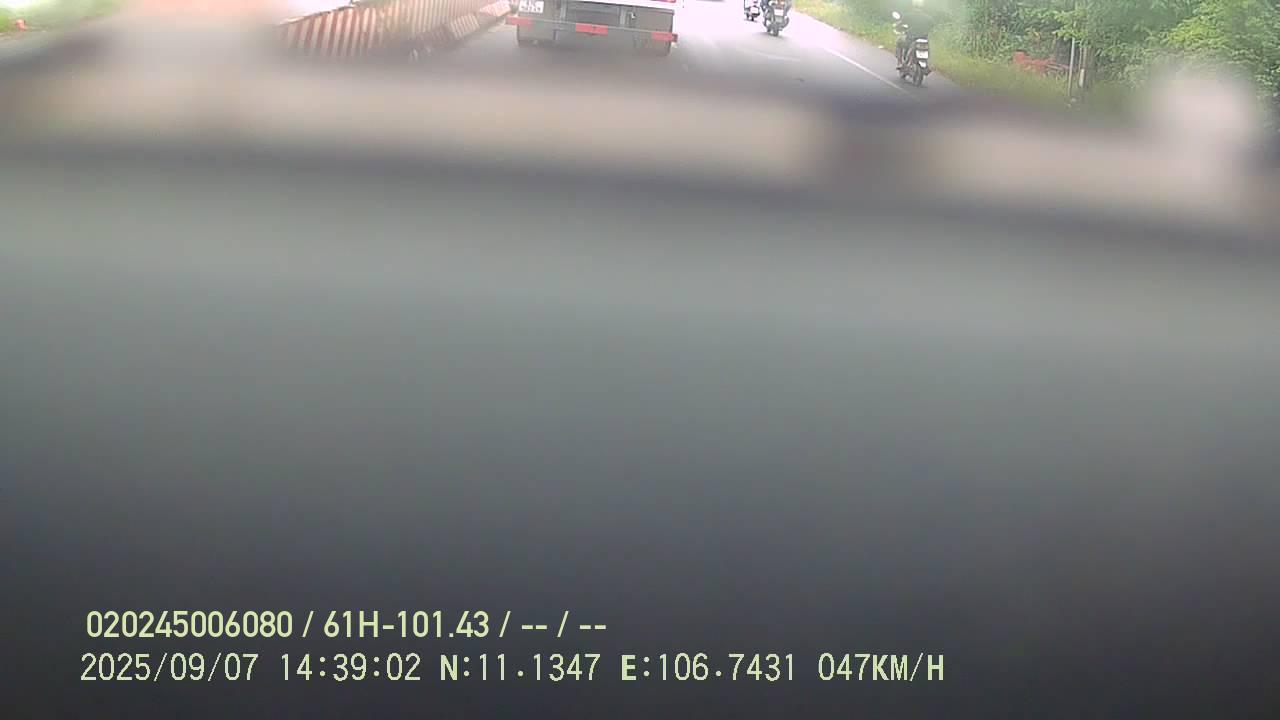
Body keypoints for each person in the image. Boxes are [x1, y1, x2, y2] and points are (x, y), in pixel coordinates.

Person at [894, 0, 935, 70]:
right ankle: (928, 64)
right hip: (924, 40)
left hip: (911, 39)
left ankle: (900, 62)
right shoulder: (928, 18)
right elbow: (932, 26)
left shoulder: (908, 15)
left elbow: (900, 24)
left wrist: (897, 26)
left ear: (913, 5)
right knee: (927, 49)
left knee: (899, 41)